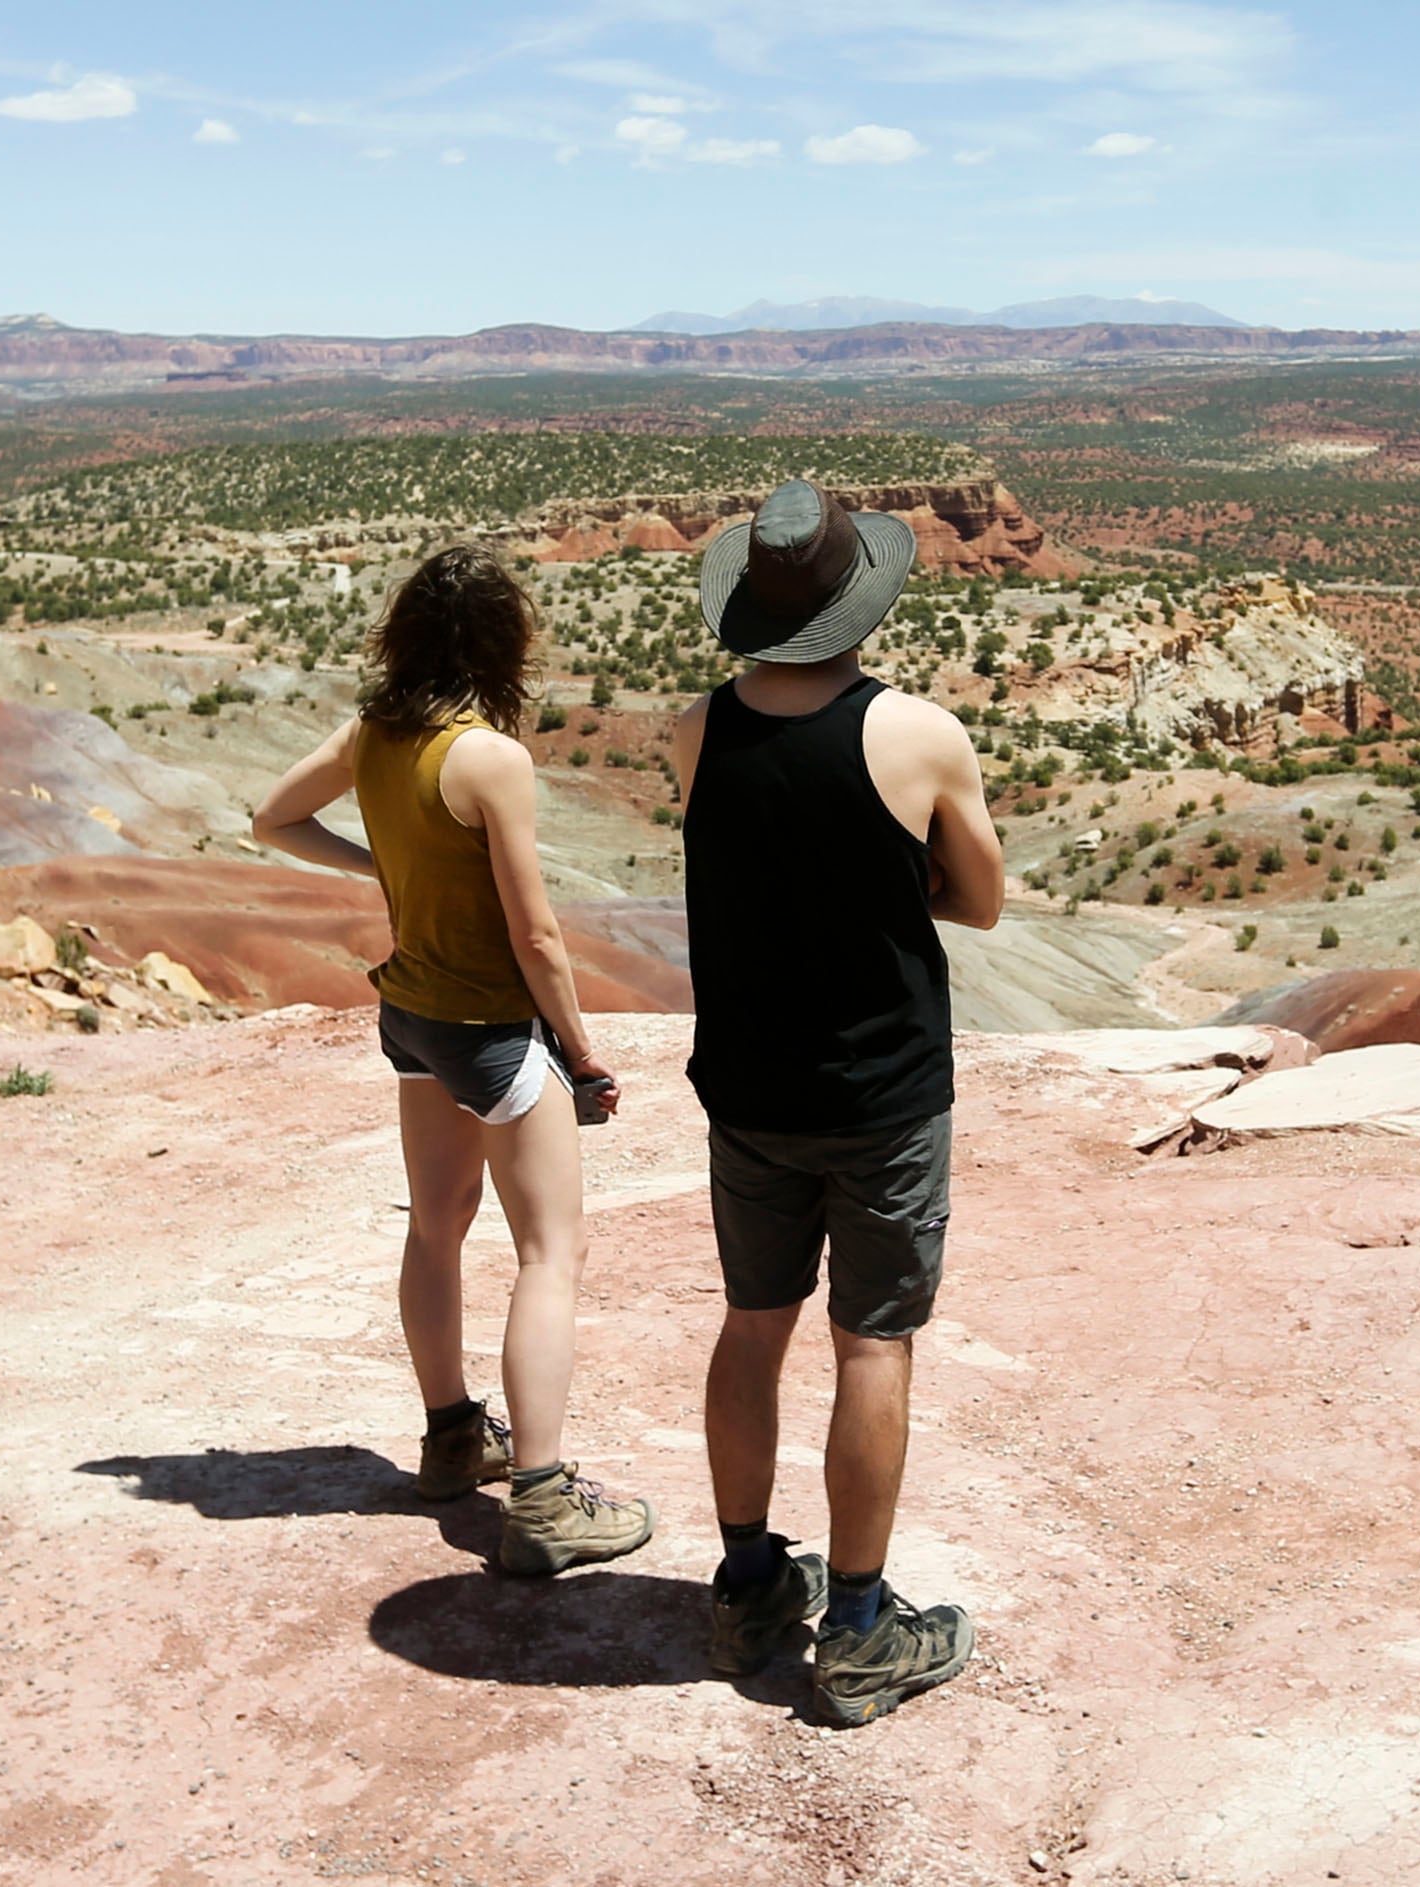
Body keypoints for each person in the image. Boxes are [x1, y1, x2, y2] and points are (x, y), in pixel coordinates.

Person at [670, 480, 1005, 1727]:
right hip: (881, 1094)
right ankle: (859, 1627)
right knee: (871, 1343)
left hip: (748, 1088)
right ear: (861, 605)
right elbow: (978, 901)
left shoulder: (695, 728)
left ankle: (750, 1584)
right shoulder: (915, 735)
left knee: (753, 1324)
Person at [251, 543, 653, 1578]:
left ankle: (450, 1437)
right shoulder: (488, 759)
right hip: (492, 1031)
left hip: (412, 1019)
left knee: (436, 1230)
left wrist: (379, 862)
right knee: (549, 1255)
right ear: (500, 644)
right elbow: (539, 938)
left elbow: (274, 819)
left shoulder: (373, 735)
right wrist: (581, 1049)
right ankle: (546, 1499)